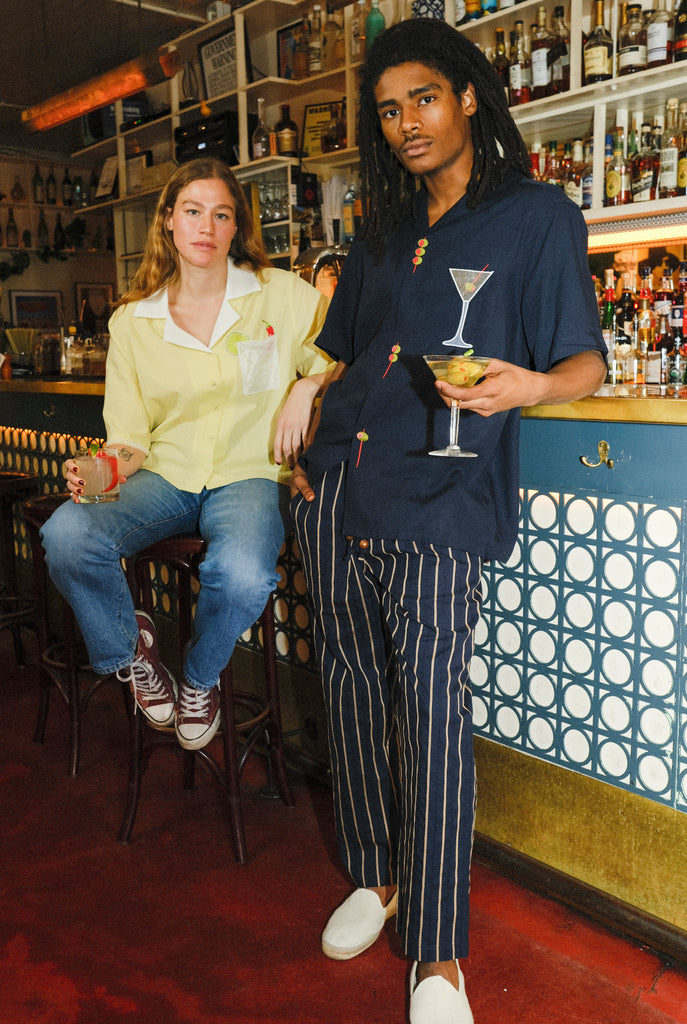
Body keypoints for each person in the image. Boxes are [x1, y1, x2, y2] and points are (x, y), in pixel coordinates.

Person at [289, 19, 607, 1024]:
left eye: (422, 97)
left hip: (443, 490)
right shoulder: (379, 233)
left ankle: (438, 956)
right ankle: (374, 877)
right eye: (387, 109)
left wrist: (527, 386)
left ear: (469, 95)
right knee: (344, 681)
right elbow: (340, 354)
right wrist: (305, 403)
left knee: (429, 708)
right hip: (336, 482)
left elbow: (586, 365)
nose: (405, 123)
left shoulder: (537, 218)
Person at [41, 157, 332, 751]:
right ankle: (132, 652)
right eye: (193, 211)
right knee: (66, 536)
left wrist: (308, 386)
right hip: (165, 475)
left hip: (250, 474)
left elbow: (342, 354)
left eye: (220, 214)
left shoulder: (280, 294)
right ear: (169, 220)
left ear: (235, 227)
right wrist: (100, 471)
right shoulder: (132, 322)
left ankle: (199, 680)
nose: (206, 226)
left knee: (246, 574)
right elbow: (129, 438)